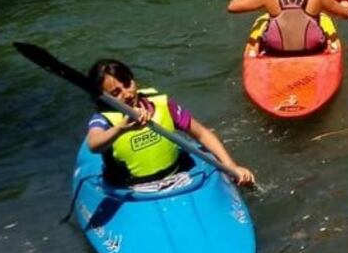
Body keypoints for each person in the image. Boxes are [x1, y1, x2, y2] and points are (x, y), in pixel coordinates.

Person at [86, 60, 255, 186]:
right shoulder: (103, 119)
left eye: (127, 84)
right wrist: (121, 129)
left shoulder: (160, 103)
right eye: (116, 93)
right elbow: (94, 145)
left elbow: (202, 134)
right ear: (103, 98)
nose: (127, 94)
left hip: (178, 177)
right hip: (131, 188)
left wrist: (232, 167)